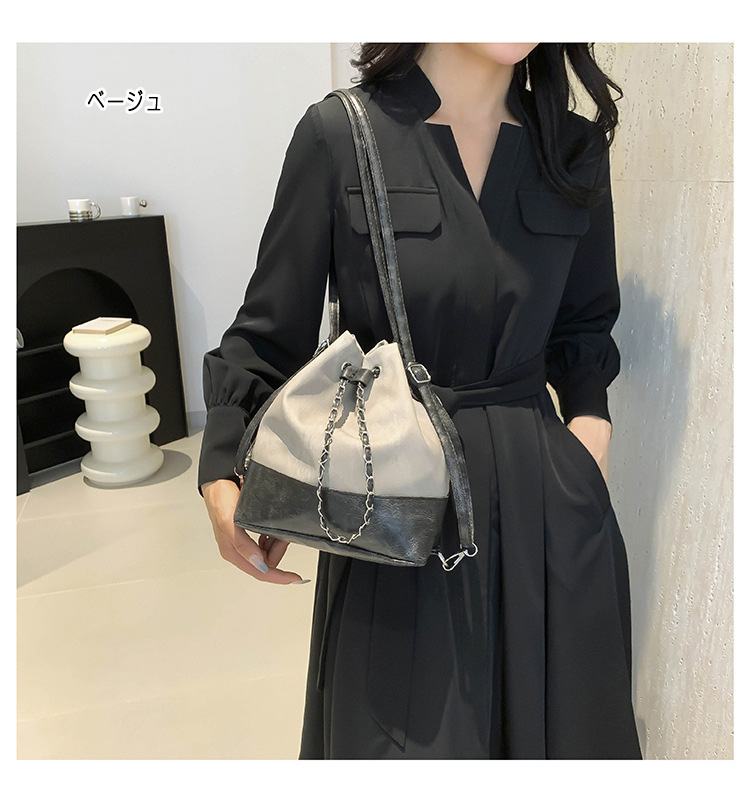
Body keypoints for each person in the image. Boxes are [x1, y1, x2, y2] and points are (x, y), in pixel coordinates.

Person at [198, 42, 643, 760]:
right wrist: (223, 465)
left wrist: (591, 439)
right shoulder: (341, 135)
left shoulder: (574, 146)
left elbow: (584, 325)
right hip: (394, 505)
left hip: (548, 513)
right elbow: (268, 332)